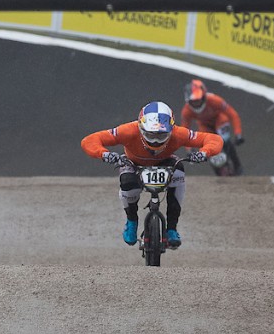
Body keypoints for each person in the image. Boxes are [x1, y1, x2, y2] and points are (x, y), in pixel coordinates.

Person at [80, 101, 223, 249]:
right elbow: (90, 140)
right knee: (127, 182)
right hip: (133, 163)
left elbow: (213, 139)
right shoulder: (128, 131)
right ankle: (131, 221)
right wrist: (104, 154)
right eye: (150, 135)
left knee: (178, 171)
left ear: (171, 130)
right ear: (141, 128)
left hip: (164, 163)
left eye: (161, 136)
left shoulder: (178, 133)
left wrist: (203, 153)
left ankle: (172, 228)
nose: (155, 141)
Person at [180, 79, 245, 175]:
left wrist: (238, 133)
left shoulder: (215, 100)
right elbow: (185, 130)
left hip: (220, 120)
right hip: (204, 125)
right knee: (208, 146)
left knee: (225, 140)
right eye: (193, 102)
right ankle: (218, 172)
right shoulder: (187, 111)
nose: (196, 104)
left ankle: (237, 165)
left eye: (198, 101)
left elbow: (232, 114)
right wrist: (189, 149)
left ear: (204, 97)